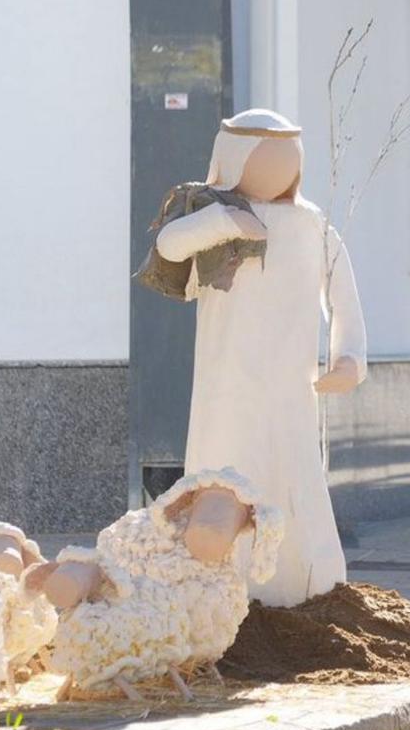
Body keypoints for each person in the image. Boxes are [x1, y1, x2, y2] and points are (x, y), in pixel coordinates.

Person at [150, 108, 367, 607]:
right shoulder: (215, 214)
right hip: (227, 386)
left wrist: (348, 357)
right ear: (233, 157)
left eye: (286, 153)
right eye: (262, 153)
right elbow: (170, 244)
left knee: (294, 481)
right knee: (224, 478)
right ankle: (213, 592)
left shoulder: (312, 225)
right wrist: (224, 220)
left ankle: (308, 590)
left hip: (292, 388)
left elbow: (342, 295)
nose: (276, 166)